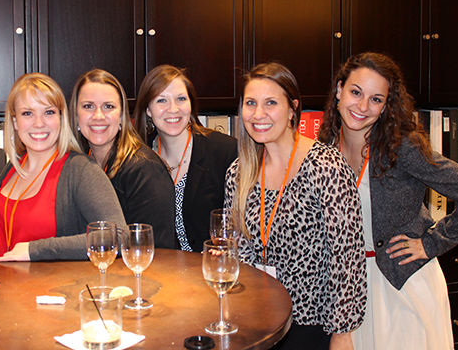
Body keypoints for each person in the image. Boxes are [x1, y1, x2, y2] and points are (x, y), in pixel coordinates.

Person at [318, 52, 458, 350]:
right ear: (339, 90)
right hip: (350, 291)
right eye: (355, 92)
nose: (363, 106)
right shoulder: (325, 147)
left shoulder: (402, 147)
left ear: (387, 105)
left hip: (402, 285)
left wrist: (431, 243)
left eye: (376, 99)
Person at [224, 62, 366, 350]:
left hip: (311, 325)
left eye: (271, 103)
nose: (258, 114)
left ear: (292, 109)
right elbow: (235, 250)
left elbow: (347, 258)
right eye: (250, 103)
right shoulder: (239, 173)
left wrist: (342, 334)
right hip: (256, 320)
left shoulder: (326, 166)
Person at [0, 72, 127, 262]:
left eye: (49, 112)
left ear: (61, 118)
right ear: (15, 121)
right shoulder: (11, 168)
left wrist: (36, 250)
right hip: (0, 287)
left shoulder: (81, 171)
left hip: (48, 290)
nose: (39, 123)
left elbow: (118, 237)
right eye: (27, 113)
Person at [134, 65, 238, 252]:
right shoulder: (138, 159)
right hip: (159, 270)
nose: (173, 109)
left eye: (181, 99)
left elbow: (242, 225)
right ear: (148, 110)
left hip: (210, 270)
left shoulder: (225, 152)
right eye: (161, 100)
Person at [70, 69, 176, 249]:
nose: (98, 116)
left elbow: (157, 250)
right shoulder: (80, 165)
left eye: (108, 106)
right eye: (88, 106)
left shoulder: (144, 169)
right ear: (76, 114)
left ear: (121, 116)